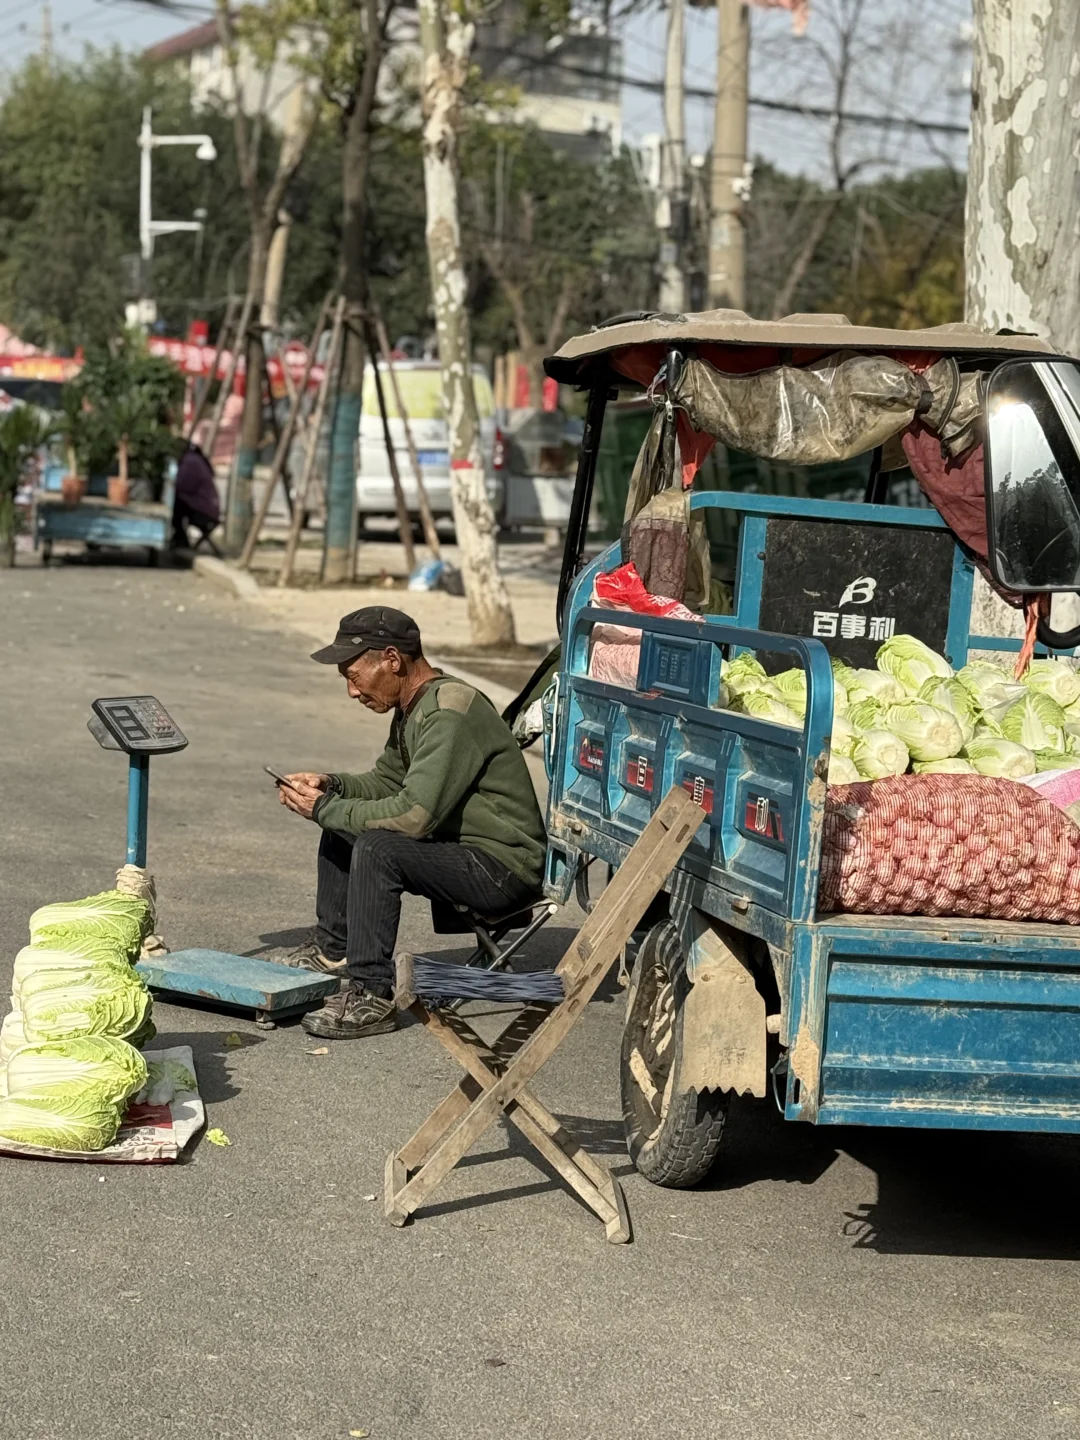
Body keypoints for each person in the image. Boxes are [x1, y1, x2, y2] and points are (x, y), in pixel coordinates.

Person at [277, 606, 548, 1040]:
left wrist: (325, 807)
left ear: (391, 659)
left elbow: (414, 817)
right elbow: (387, 780)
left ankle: (370, 992)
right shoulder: (413, 706)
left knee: (376, 845)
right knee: (341, 817)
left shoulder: (448, 711)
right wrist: (330, 785)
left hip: (504, 869)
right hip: (466, 853)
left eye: (354, 675)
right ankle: (332, 953)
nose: (351, 691)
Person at [172, 441, 221, 553]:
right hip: (208, 509)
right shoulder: (195, 459)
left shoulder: (190, 462)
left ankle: (180, 539)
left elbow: (181, 485)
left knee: (177, 504)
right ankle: (180, 538)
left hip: (205, 513)